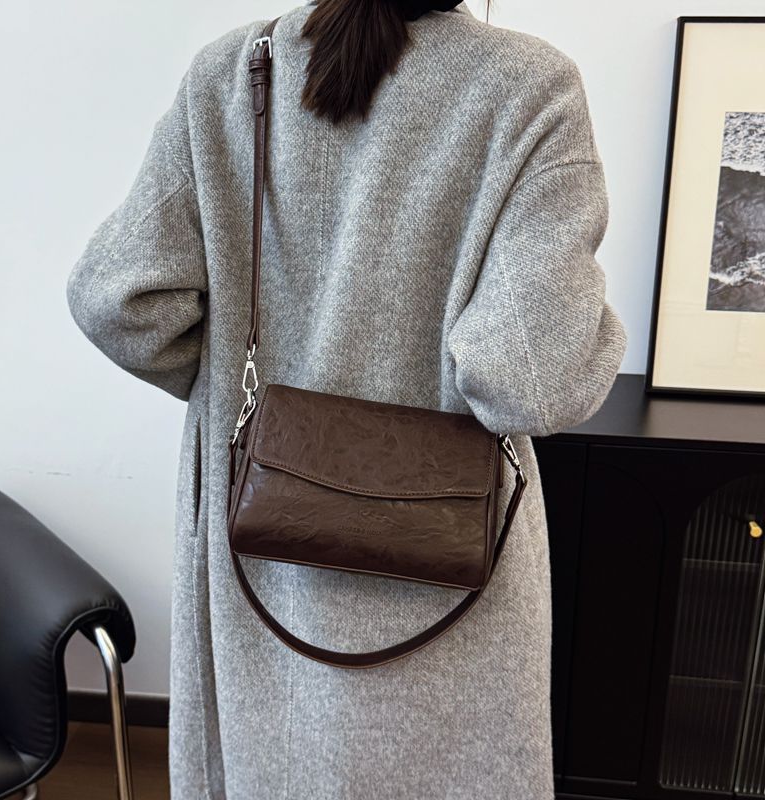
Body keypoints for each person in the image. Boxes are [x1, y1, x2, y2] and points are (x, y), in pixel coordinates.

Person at [66, 1, 627, 797]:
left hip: (259, 557)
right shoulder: (529, 87)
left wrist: (248, 399)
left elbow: (118, 300)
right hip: (447, 563)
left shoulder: (234, 71)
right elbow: (531, 382)